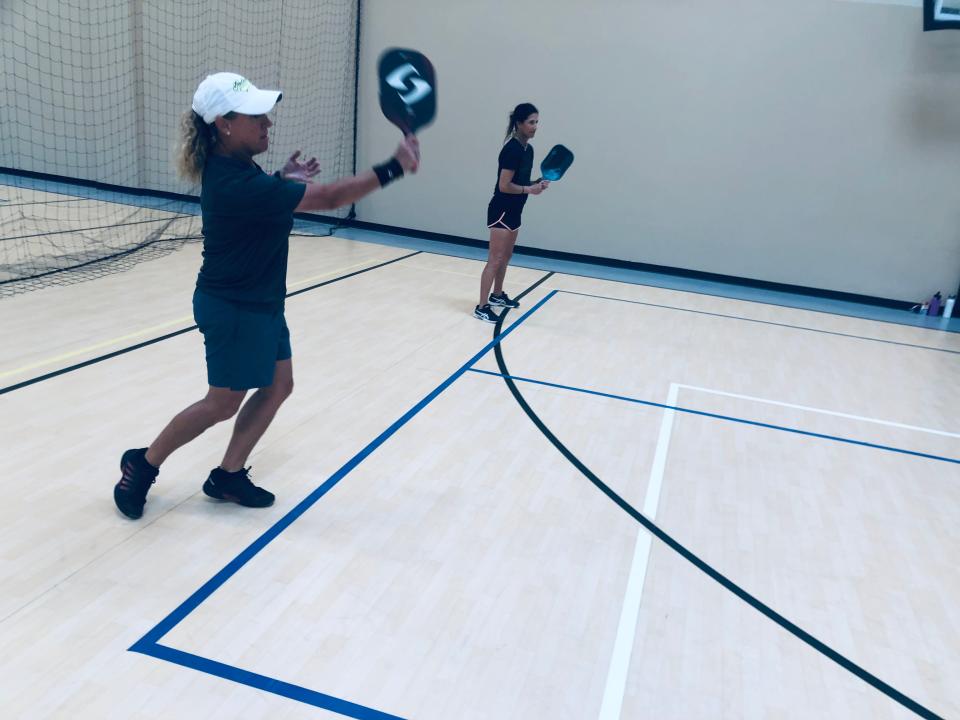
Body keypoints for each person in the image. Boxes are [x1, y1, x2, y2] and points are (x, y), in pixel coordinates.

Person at [113, 72, 419, 519]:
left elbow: (263, 203)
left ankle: (228, 475)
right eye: (256, 116)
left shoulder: (241, 170)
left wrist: (279, 177)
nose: (268, 123)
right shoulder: (234, 181)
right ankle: (142, 464)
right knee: (222, 402)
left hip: (261, 302)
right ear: (224, 123)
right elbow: (331, 196)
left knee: (279, 384)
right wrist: (394, 166)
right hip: (233, 307)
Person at [475, 103, 549, 323]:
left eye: (537, 122)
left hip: (516, 209)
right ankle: (481, 306)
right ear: (518, 123)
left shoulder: (529, 150)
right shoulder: (512, 150)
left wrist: (536, 183)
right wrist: (528, 189)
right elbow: (504, 185)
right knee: (495, 259)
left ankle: (497, 295)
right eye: (531, 122)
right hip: (501, 210)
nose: (535, 127)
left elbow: (521, 181)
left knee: (506, 256)